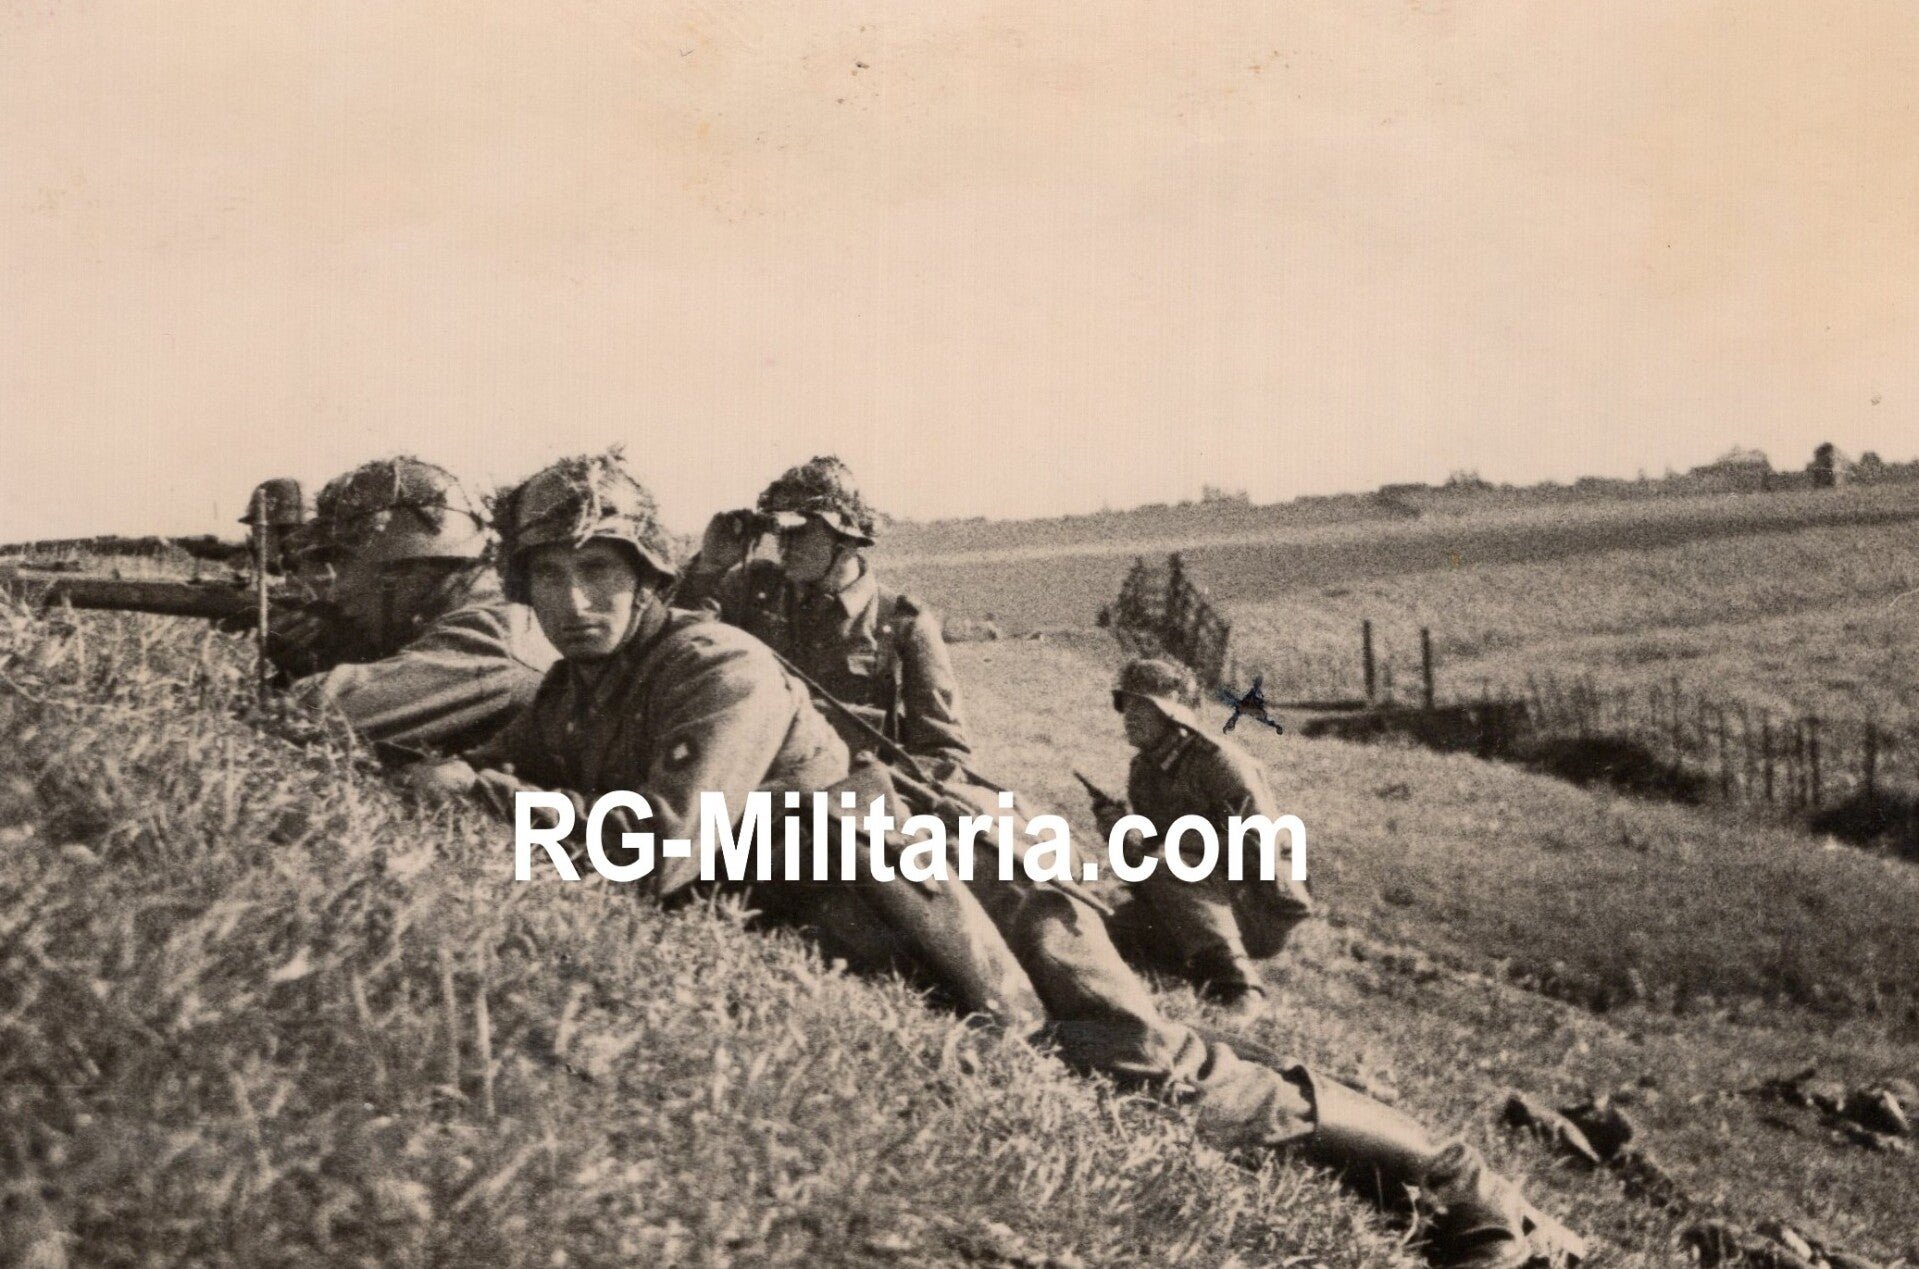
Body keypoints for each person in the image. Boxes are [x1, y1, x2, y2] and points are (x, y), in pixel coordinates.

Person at [419, 451, 1583, 1269]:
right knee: (1119, 1085)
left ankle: (1462, 1184)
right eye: (553, 582)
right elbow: (513, 771)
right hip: (872, 907)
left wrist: (486, 798)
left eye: (601, 577)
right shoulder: (582, 689)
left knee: (1152, 1076)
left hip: (972, 882)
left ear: (646, 579)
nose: (574, 605)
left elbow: (659, 857)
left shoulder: (715, 665)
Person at [678, 456, 970, 773]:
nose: (783, 545)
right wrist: (709, 567)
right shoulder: (749, 592)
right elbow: (675, 650)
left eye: (799, 532)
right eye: (779, 531)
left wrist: (877, 786)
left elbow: (946, 753)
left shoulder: (900, 623)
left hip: (846, 807)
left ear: (845, 539)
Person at [261, 456, 558, 756]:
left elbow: (315, 716)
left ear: (408, 572)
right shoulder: (487, 616)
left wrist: (302, 674)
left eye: (345, 563)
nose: (337, 591)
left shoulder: (493, 633)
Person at [1094, 658, 1315, 1020]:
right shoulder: (1143, 772)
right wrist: (1122, 835)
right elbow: (1147, 865)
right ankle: (1198, 977)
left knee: (1165, 866)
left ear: (1173, 716)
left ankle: (1241, 990)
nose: (1130, 716)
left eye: (1144, 707)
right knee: (1109, 923)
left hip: (1261, 905)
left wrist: (1169, 852)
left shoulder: (1219, 763)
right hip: (1203, 899)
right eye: (1127, 705)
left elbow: (1261, 849)